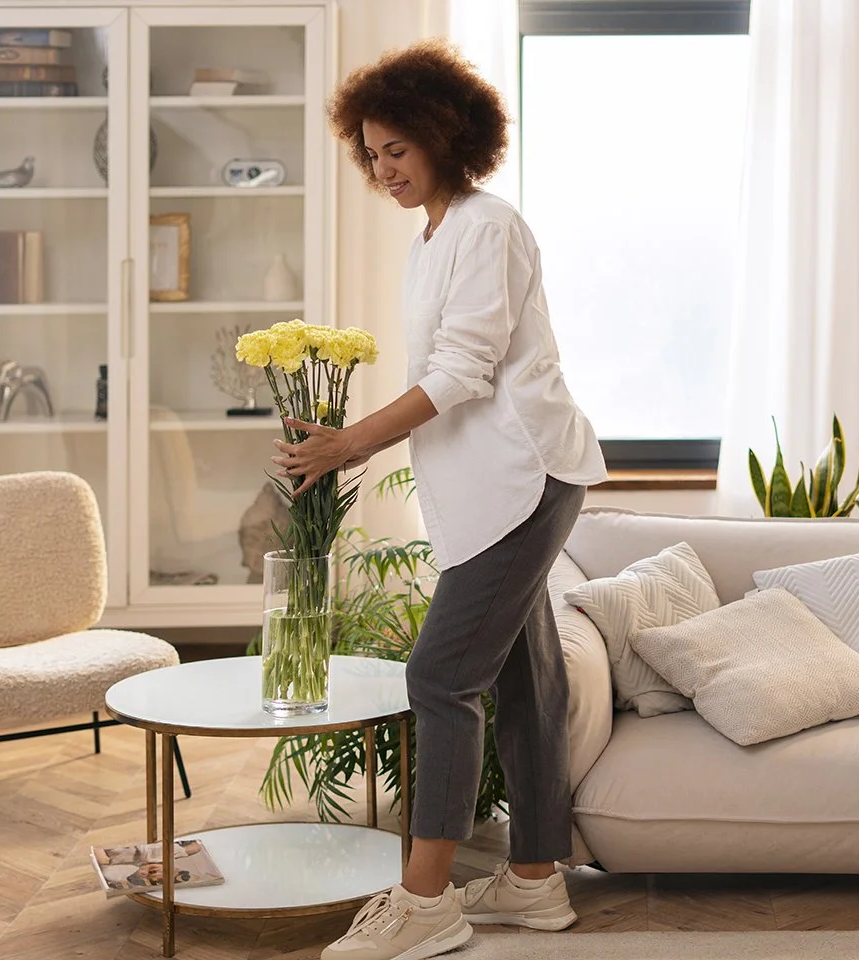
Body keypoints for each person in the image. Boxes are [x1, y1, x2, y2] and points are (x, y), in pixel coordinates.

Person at [266, 38, 608, 960]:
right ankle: (534, 880)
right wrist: (352, 441)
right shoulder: (434, 236)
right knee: (527, 680)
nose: (383, 169)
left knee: (440, 678)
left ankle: (425, 903)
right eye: (372, 153)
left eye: (399, 150)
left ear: (446, 137)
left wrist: (350, 444)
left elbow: (463, 370)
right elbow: (446, 371)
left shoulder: (488, 226)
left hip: (525, 476)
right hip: (488, 481)